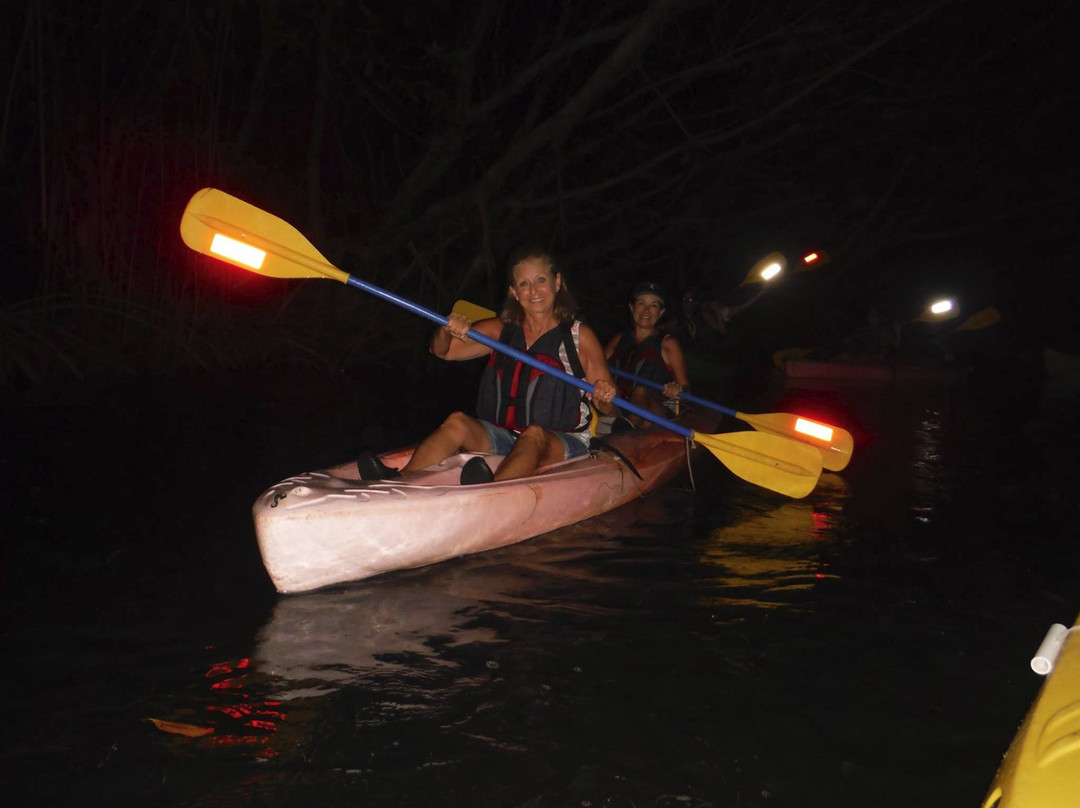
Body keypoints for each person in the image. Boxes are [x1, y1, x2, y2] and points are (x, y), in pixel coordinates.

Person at [356, 245, 617, 485]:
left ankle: (491, 492)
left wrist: (604, 398)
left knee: (534, 435)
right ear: (514, 292)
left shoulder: (579, 337)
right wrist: (447, 329)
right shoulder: (501, 330)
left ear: (557, 283)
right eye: (523, 284)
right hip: (507, 436)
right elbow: (442, 351)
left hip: (564, 441)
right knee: (458, 422)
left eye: (541, 280)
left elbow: (609, 410)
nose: (533, 291)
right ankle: (398, 482)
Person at [604, 281, 690, 429]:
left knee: (641, 390)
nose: (646, 310)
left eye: (653, 306)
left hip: (657, 409)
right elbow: (597, 369)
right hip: (619, 402)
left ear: (661, 312)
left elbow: (686, 389)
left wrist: (677, 390)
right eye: (641, 303)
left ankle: (626, 430)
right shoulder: (618, 339)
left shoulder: (668, 343)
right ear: (631, 307)